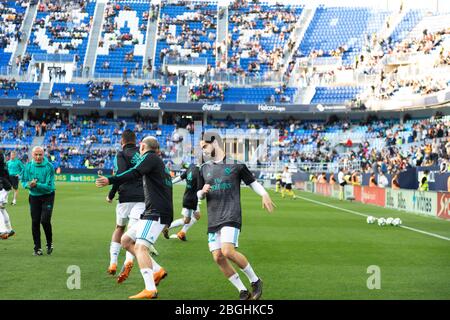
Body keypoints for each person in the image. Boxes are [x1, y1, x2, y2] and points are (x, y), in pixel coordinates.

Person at [197, 132, 275, 300]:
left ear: (215, 144)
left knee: (227, 251)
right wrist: (201, 193)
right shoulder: (203, 168)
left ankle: (255, 281)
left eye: (204, 146)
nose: (202, 150)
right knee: (218, 257)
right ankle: (242, 290)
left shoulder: (237, 165)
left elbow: (252, 183)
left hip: (231, 214)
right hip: (213, 217)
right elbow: (198, 193)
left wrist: (264, 194)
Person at [96, 136, 173, 299]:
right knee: (125, 240)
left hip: (156, 212)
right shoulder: (157, 161)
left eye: (140, 147)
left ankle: (150, 289)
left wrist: (110, 180)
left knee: (140, 248)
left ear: (143, 146)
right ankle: (157, 270)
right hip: (154, 211)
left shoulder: (150, 158)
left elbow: (133, 173)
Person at [105, 130, 157, 283]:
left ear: (122, 141)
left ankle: (113, 262)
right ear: (136, 141)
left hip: (125, 197)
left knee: (119, 228)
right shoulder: (143, 155)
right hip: (142, 198)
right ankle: (128, 261)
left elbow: (120, 174)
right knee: (132, 234)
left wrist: (111, 193)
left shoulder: (121, 154)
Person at [21, 146, 56, 256]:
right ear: (32, 155)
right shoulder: (28, 167)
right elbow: (23, 181)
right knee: (35, 221)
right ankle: (37, 248)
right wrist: (28, 185)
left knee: (45, 220)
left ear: (43, 154)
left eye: (40, 154)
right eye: (36, 154)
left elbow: (49, 187)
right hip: (34, 197)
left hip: (47, 196)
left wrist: (36, 184)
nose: (38, 157)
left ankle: (49, 243)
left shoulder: (49, 167)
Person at [163, 163, 201, 241]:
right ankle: (166, 227)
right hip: (191, 199)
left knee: (197, 215)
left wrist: (171, 183)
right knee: (186, 220)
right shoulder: (201, 172)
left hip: (190, 197)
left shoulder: (191, 167)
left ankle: (182, 233)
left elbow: (181, 177)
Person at [0, 150, 14, 239]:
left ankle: (2, 231)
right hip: (6, 186)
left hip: (2, 187)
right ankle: (9, 230)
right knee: (2, 209)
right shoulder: (2, 160)